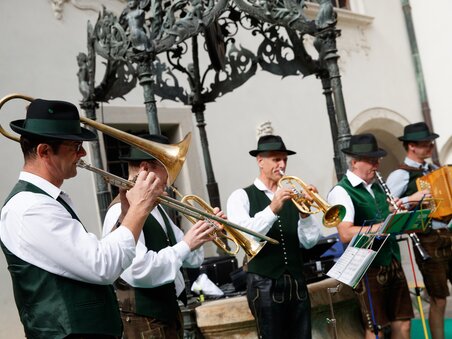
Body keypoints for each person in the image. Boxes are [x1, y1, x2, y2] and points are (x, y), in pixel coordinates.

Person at [0, 98, 163, 339]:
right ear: (44, 151)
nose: (83, 152)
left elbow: (95, 258)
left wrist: (127, 214)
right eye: (75, 146)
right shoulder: (29, 207)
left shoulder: (47, 200)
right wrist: (140, 208)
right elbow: (102, 266)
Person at [103, 134, 223, 339]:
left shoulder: (157, 209)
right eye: (167, 169)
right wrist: (187, 244)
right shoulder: (120, 211)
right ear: (145, 169)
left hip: (166, 314)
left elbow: (191, 259)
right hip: (144, 320)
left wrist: (204, 232)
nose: (169, 180)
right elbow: (138, 271)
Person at [226, 134, 321, 339]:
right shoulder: (241, 196)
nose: (282, 164)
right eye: (276, 159)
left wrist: (305, 215)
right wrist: (273, 208)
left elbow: (309, 241)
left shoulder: (292, 195)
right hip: (264, 283)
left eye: (285, 159)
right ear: (260, 161)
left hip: (296, 281)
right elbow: (246, 236)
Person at [327, 133, 413, 339]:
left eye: (378, 159)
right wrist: (385, 225)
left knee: (403, 324)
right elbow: (346, 233)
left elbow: (382, 218)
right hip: (367, 267)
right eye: (371, 160)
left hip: (392, 260)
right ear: (355, 162)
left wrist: (395, 215)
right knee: (376, 329)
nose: (377, 164)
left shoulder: (376, 187)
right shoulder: (342, 191)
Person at [386, 122, 451, 339]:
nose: (430, 146)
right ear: (411, 146)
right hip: (426, 238)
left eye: (430, 142)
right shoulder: (400, 175)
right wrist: (410, 199)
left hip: (447, 233)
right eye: (425, 143)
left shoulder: (434, 170)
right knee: (439, 297)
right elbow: (388, 206)